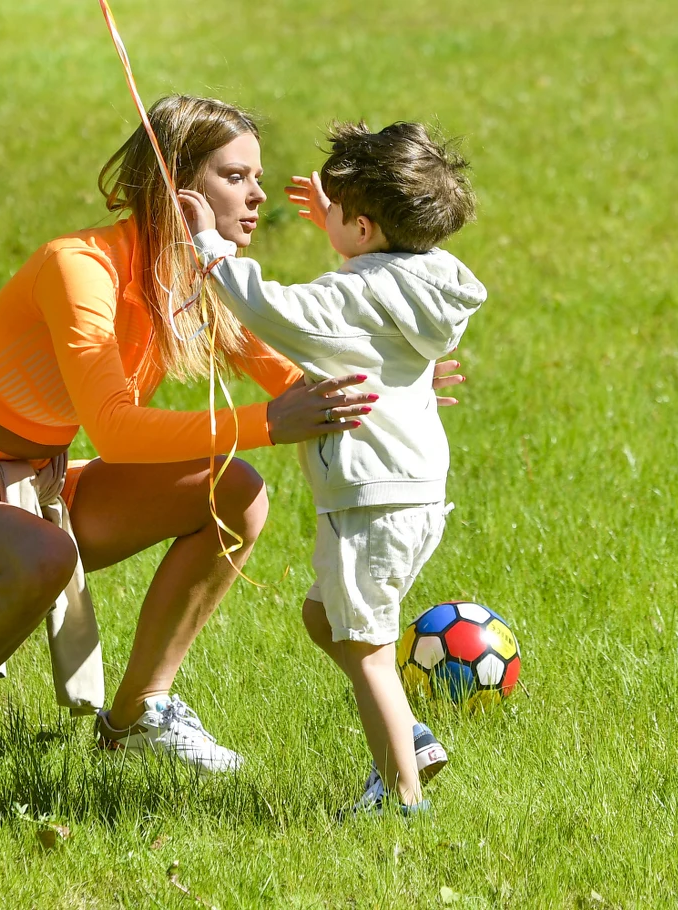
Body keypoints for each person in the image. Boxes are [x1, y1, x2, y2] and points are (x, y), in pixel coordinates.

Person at [0, 96, 466, 811]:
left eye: (257, 176)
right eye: (235, 176)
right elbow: (118, 432)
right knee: (41, 555)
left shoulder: (195, 282)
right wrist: (270, 422)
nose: (258, 195)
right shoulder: (79, 267)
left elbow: (294, 380)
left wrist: (390, 380)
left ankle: (136, 717)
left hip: (31, 489)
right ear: (177, 187)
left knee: (237, 493)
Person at [178, 120, 485, 817]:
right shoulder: (418, 284)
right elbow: (366, 291)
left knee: (366, 646)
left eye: (337, 213)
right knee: (327, 617)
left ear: (366, 228)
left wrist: (211, 247)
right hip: (413, 498)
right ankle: (410, 740)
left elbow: (270, 311)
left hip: (370, 503)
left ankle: (402, 797)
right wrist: (340, 230)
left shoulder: (352, 297)